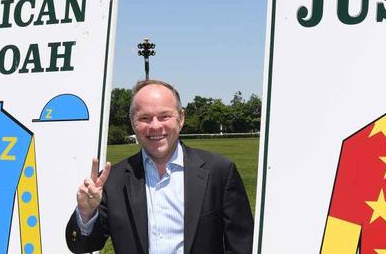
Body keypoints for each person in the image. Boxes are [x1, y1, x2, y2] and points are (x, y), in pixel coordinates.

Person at [65, 80, 254, 254]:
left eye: (164, 116)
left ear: (181, 118)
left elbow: (241, 245)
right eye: (145, 118)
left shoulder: (219, 171)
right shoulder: (113, 180)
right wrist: (87, 213)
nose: (155, 126)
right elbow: (83, 245)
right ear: (133, 123)